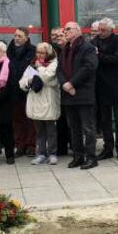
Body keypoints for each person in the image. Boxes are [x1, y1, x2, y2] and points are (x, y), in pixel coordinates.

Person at [58, 21, 99, 170]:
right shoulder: (65, 49)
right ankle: (78, 156)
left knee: (88, 128)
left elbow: (89, 67)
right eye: (64, 30)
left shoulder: (87, 47)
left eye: (68, 29)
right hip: (69, 94)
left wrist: (72, 83)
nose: (65, 32)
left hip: (84, 94)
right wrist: (64, 84)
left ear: (78, 31)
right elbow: (60, 70)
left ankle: (91, 157)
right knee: (73, 128)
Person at [93, 18, 118, 161]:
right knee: (105, 121)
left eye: (103, 30)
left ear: (111, 30)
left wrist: (99, 55)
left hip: (117, 86)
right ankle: (108, 148)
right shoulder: (94, 41)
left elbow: (117, 59)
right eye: (99, 30)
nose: (100, 33)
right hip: (101, 86)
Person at [19, 42, 60, 165]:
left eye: (42, 53)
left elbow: (48, 77)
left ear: (48, 53)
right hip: (35, 101)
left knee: (51, 130)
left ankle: (53, 153)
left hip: (48, 100)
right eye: (38, 52)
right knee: (39, 131)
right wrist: (28, 82)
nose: (39, 55)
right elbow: (22, 81)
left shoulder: (54, 63)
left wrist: (39, 69)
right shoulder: (32, 65)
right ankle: (41, 153)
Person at [7, 27, 37, 157]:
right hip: (13, 90)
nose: (16, 38)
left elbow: (35, 69)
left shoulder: (33, 51)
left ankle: (31, 145)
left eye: (19, 36)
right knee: (16, 119)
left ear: (26, 37)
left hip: (28, 90)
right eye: (15, 35)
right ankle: (19, 145)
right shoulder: (9, 51)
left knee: (30, 118)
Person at [50, 27, 70, 156]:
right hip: (56, 90)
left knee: (72, 120)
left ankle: (74, 144)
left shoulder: (71, 49)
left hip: (70, 87)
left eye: (61, 35)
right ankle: (61, 147)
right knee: (61, 120)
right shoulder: (51, 51)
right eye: (56, 37)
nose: (59, 38)